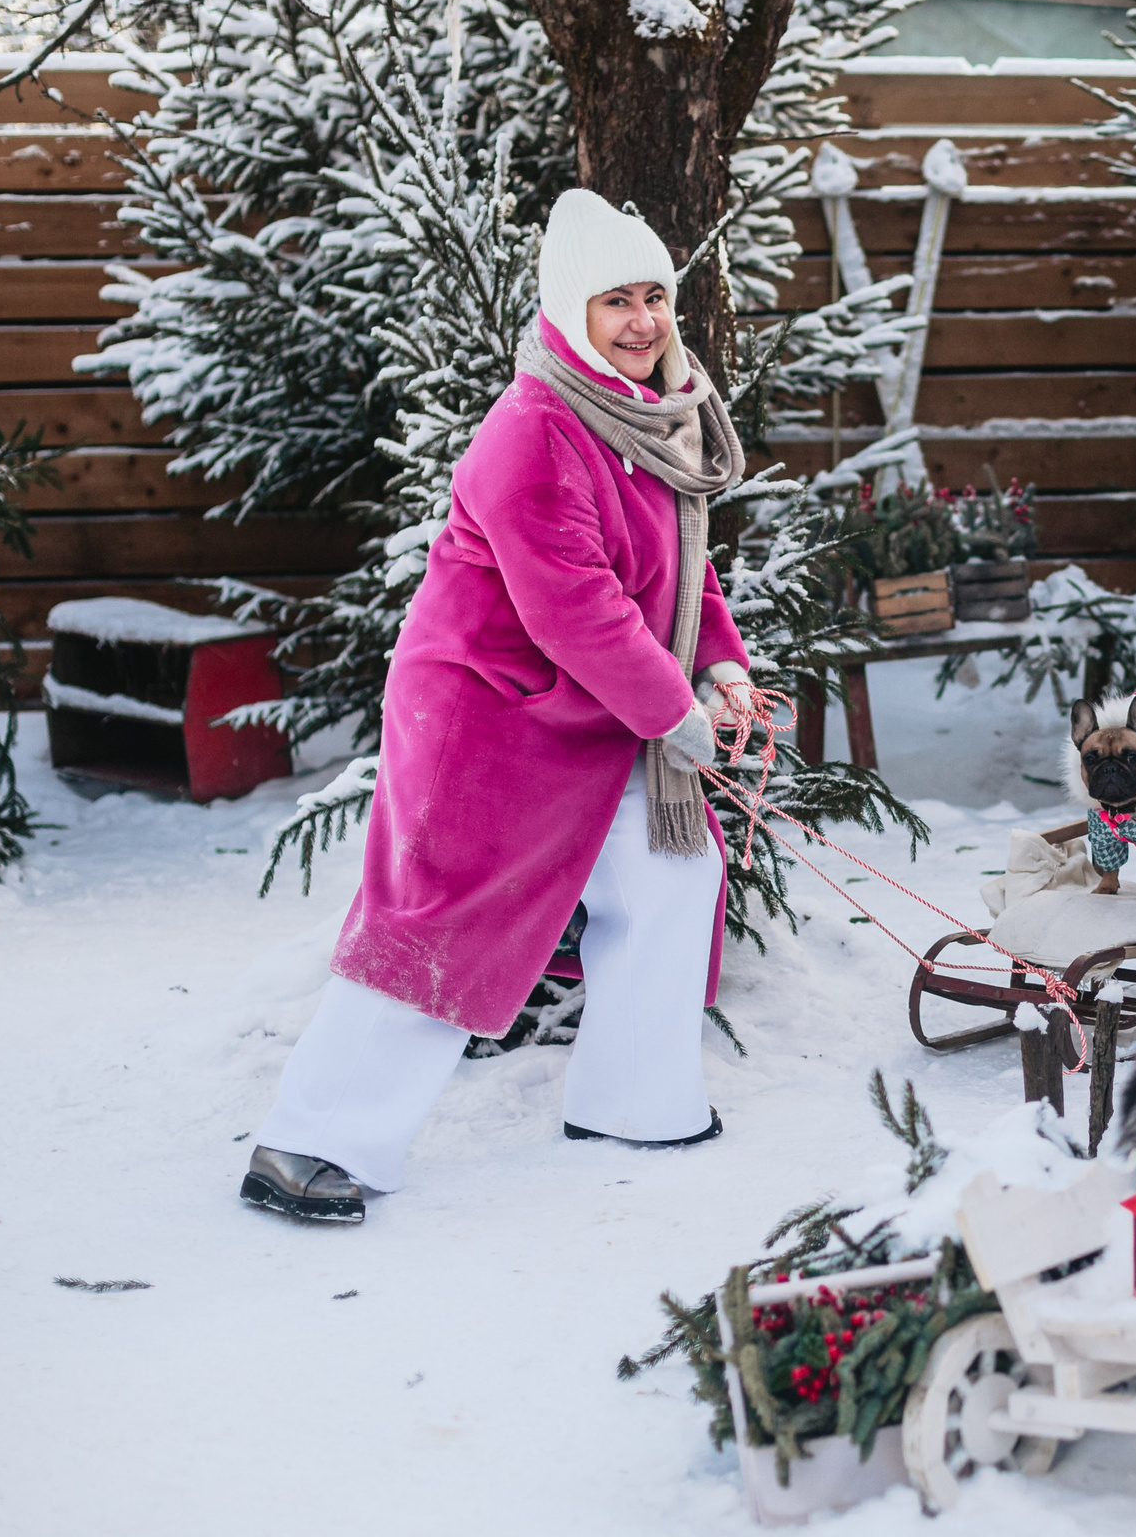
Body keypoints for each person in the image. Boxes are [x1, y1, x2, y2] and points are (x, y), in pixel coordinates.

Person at [240, 188, 757, 1225]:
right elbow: (577, 610)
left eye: (655, 296)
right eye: (617, 301)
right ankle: (308, 1143)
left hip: (596, 716)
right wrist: (674, 714)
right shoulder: (535, 429)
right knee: (444, 916)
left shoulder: (650, 421)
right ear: (571, 313)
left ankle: (635, 1104)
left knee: (672, 872)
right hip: (489, 719)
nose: (644, 321)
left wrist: (724, 669)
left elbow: (680, 576)